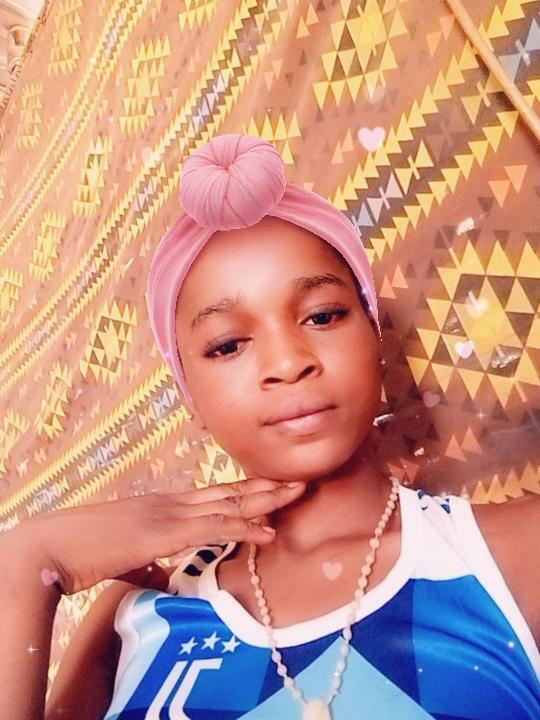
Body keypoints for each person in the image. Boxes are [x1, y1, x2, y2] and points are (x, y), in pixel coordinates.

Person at [1, 134, 538, 720]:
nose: (287, 363)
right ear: (190, 399)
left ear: (376, 338)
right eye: (228, 345)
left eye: (323, 316)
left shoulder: (513, 553)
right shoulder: (134, 619)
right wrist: (29, 561)